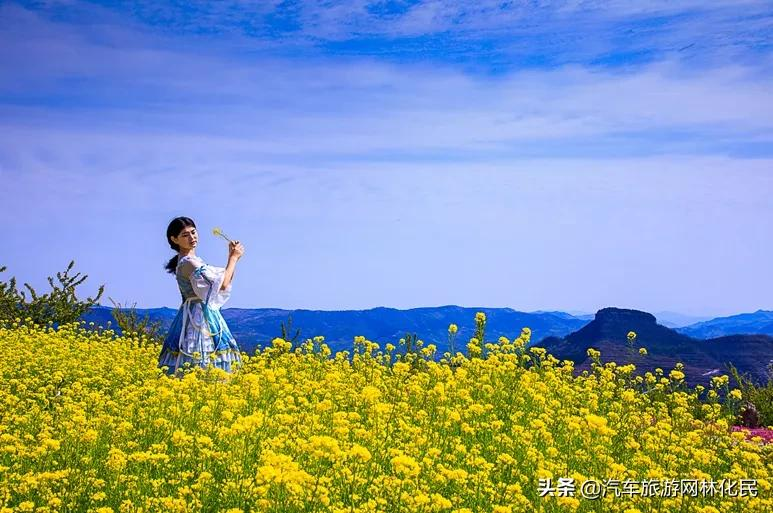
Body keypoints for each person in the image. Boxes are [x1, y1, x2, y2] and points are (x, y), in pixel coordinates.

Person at [158, 216, 245, 376]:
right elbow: (222, 285)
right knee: (202, 361)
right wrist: (233, 258)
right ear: (174, 239)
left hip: (197, 313)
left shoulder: (191, 261)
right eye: (185, 235)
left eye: (193, 232)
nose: (192, 237)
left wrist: (231, 257)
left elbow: (222, 280)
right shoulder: (188, 263)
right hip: (197, 318)